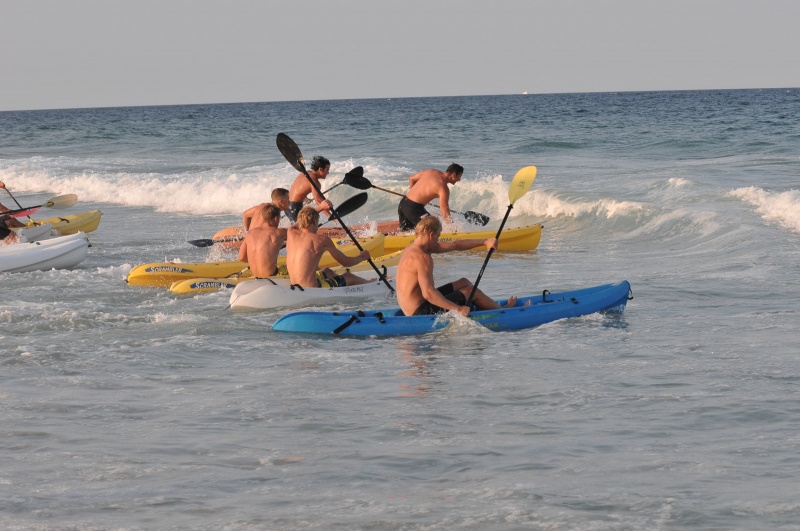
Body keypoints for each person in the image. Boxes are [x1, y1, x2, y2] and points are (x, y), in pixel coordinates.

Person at [396, 216, 520, 317]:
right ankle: (502, 312)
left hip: (416, 304)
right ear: (431, 235)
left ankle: (479, 306)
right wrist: (457, 309)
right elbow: (428, 294)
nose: (438, 241)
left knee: (463, 282)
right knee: (472, 291)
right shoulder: (422, 257)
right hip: (419, 312)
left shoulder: (412, 248)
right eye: (438, 237)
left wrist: (485, 241)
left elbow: (455, 244)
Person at [286, 206, 373, 288]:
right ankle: (371, 284)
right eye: (317, 223)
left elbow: (297, 223)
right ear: (314, 222)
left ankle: (340, 286)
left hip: (295, 285)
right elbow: (346, 262)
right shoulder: (322, 240)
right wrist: (362, 257)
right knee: (349, 276)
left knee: (327, 271)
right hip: (313, 289)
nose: (317, 227)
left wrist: (321, 207)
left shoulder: (291, 232)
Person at [397, 163, 464, 231]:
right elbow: (445, 211)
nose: (459, 180)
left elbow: (411, 178)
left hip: (403, 202)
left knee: (406, 232)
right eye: (459, 176)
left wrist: (413, 196)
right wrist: (452, 227)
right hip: (413, 209)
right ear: (454, 175)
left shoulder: (432, 171)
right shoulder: (443, 188)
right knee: (433, 227)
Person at [237, 204, 288, 278]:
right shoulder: (278, 232)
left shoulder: (250, 233)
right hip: (272, 277)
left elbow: (241, 257)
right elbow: (299, 234)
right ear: (276, 218)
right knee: (287, 267)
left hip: (255, 276)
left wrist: (258, 260)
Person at [288, 155, 333, 221]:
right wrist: (329, 216)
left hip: (287, 204)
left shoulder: (306, 172)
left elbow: (299, 188)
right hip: (295, 207)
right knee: (303, 227)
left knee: (296, 226)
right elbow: (318, 201)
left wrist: (305, 198)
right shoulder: (315, 182)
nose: (328, 172)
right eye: (327, 170)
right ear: (320, 169)